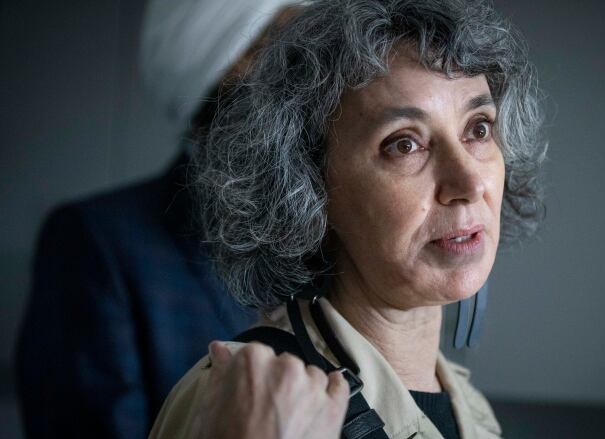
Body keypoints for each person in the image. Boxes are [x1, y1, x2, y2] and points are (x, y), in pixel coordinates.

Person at [151, 0, 546, 437]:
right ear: (308, 188)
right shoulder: (243, 399)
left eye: (479, 128)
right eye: (404, 145)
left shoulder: (473, 411)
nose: (469, 182)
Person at [14, 1, 296, 437]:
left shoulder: (335, 241)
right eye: (288, 50)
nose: (317, 76)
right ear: (225, 70)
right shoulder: (97, 243)